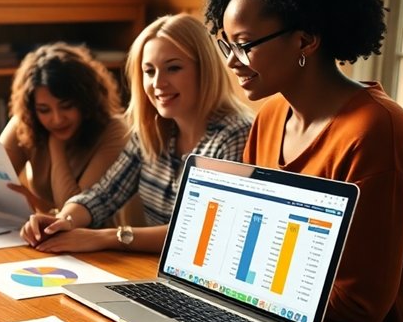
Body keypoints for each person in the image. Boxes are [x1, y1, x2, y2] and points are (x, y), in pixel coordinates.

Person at [203, 0, 403, 322]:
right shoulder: (271, 116)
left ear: (306, 41)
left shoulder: (377, 133)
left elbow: (360, 305)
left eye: (245, 44)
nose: (232, 61)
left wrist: (234, 281)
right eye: (226, 44)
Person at [21, 14, 253, 253]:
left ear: (205, 69)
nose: (158, 83)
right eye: (149, 71)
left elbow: (203, 231)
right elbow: (104, 194)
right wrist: (64, 221)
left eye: (173, 68)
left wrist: (108, 237)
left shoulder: (234, 134)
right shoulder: (151, 129)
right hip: (151, 272)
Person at [0, 42, 137, 224]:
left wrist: (56, 146)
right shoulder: (28, 122)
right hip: (46, 234)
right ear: (32, 109)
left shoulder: (114, 131)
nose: (56, 119)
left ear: (86, 102)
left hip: (100, 242)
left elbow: (75, 213)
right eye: (44, 109)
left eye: (66, 106)